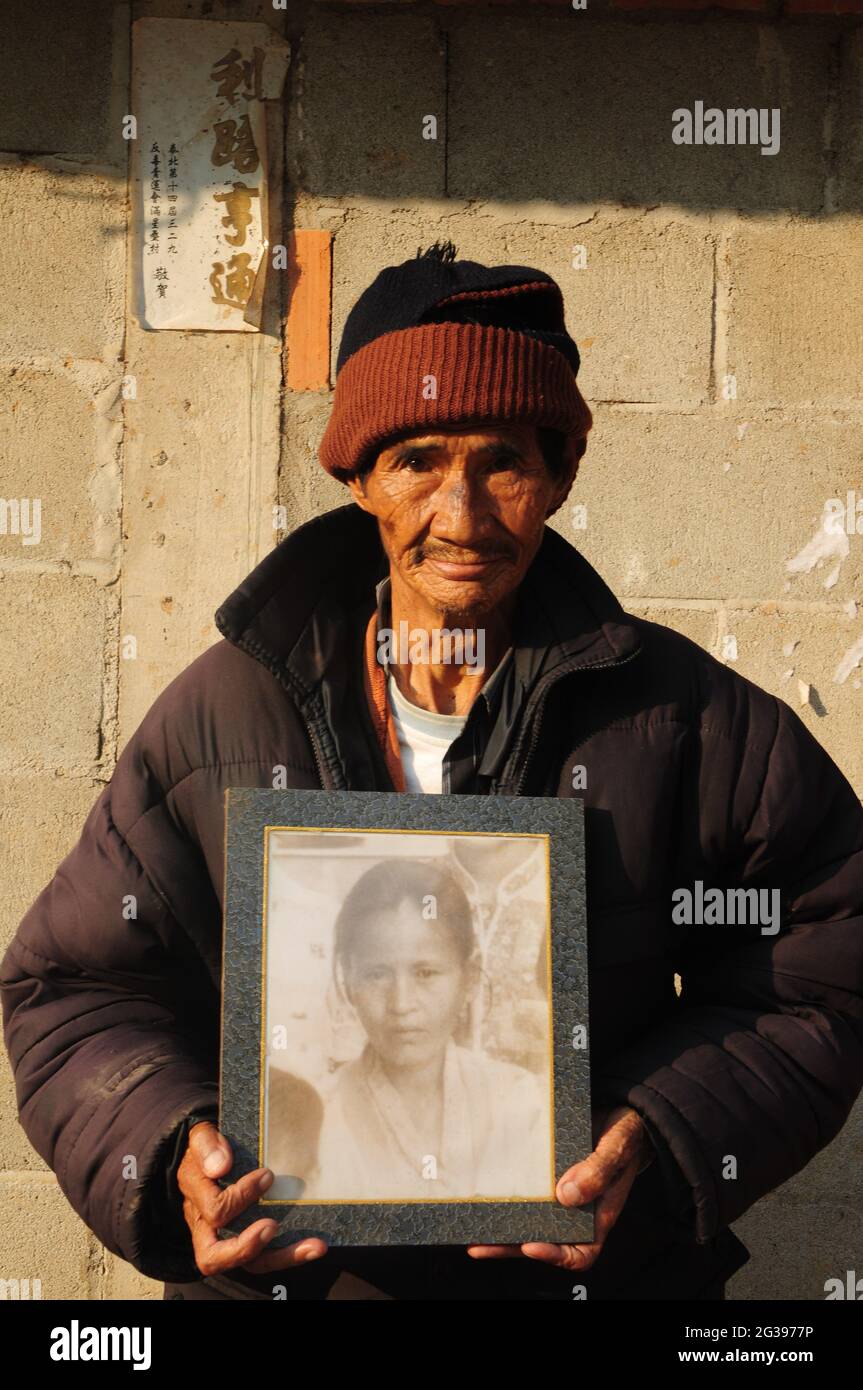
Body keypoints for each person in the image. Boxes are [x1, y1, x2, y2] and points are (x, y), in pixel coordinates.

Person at [3, 242, 862, 1302]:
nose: (460, 516)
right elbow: (70, 989)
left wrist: (654, 1126)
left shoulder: (683, 720)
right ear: (357, 475)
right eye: (415, 461)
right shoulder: (221, 715)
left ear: (558, 474)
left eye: (502, 459)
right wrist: (170, 1147)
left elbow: (825, 966)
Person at [302, 858, 551, 1202]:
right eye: (377, 974)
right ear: (347, 981)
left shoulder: (517, 1101)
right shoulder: (317, 1115)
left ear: (469, 978)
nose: (402, 1004)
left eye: (426, 973)